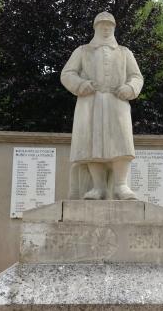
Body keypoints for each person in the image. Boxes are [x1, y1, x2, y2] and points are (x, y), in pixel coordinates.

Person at [61, 11, 143, 200]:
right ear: (95, 27)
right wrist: (81, 85)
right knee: (92, 145)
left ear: (114, 28)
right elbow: (67, 73)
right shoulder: (82, 51)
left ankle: (121, 185)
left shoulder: (124, 52)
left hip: (117, 102)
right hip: (91, 102)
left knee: (122, 142)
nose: (106, 28)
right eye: (102, 25)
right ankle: (98, 187)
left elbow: (136, 76)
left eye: (110, 25)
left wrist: (130, 88)